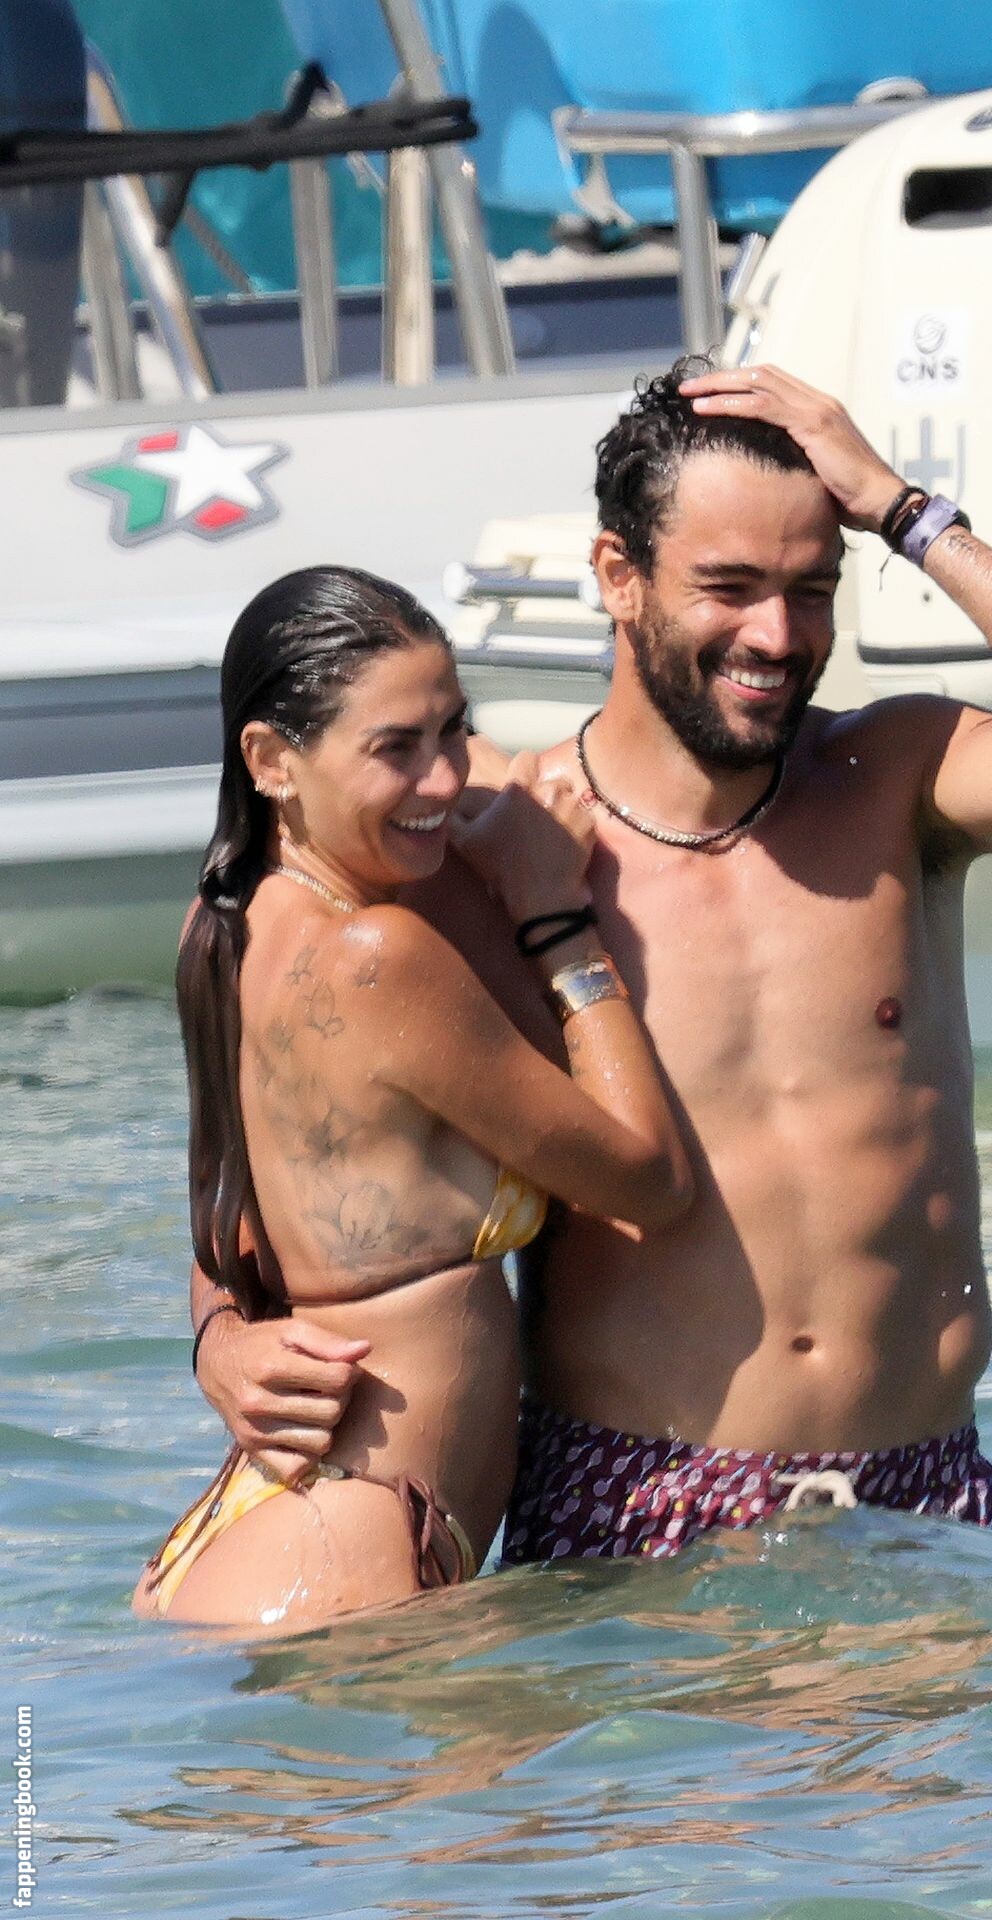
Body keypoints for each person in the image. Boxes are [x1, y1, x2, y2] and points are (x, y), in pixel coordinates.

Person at [194, 363, 992, 1581]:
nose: (776, 638)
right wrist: (221, 1336)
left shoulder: (898, 780)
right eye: (728, 588)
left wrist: (909, 516)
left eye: (811, 590)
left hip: (930, 1487)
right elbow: (279, 1127)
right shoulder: (494, 847)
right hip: (644, 1512)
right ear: (617, 576)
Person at [134, 564, 690, 1630]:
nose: (442, 779)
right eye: (396, 748)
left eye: (454, 731)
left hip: (281, 1530)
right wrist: (557, 920)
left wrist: (217, 1340)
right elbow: (650, 1179)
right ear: (271, 761)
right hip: (352, 1552)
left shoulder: (223, 927)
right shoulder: (378, 955)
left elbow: (224, 1225)